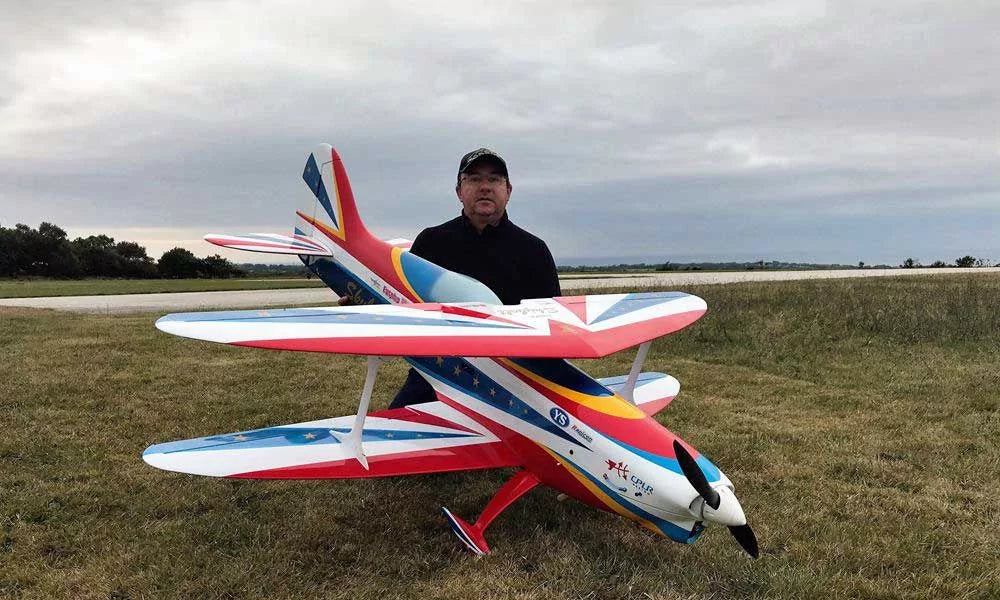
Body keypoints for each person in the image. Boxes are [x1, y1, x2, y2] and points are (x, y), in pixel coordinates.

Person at [389, 147, 561, 408]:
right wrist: (361, 302)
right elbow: (404, 307)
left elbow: (554, 328)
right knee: (394, 431)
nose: (485, 187)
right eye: (474, 179)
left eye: (494, 179)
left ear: (508, 191)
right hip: (437, 375)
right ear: (459, 191)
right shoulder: (431, 242)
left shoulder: (534, 250)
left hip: (513, 383)